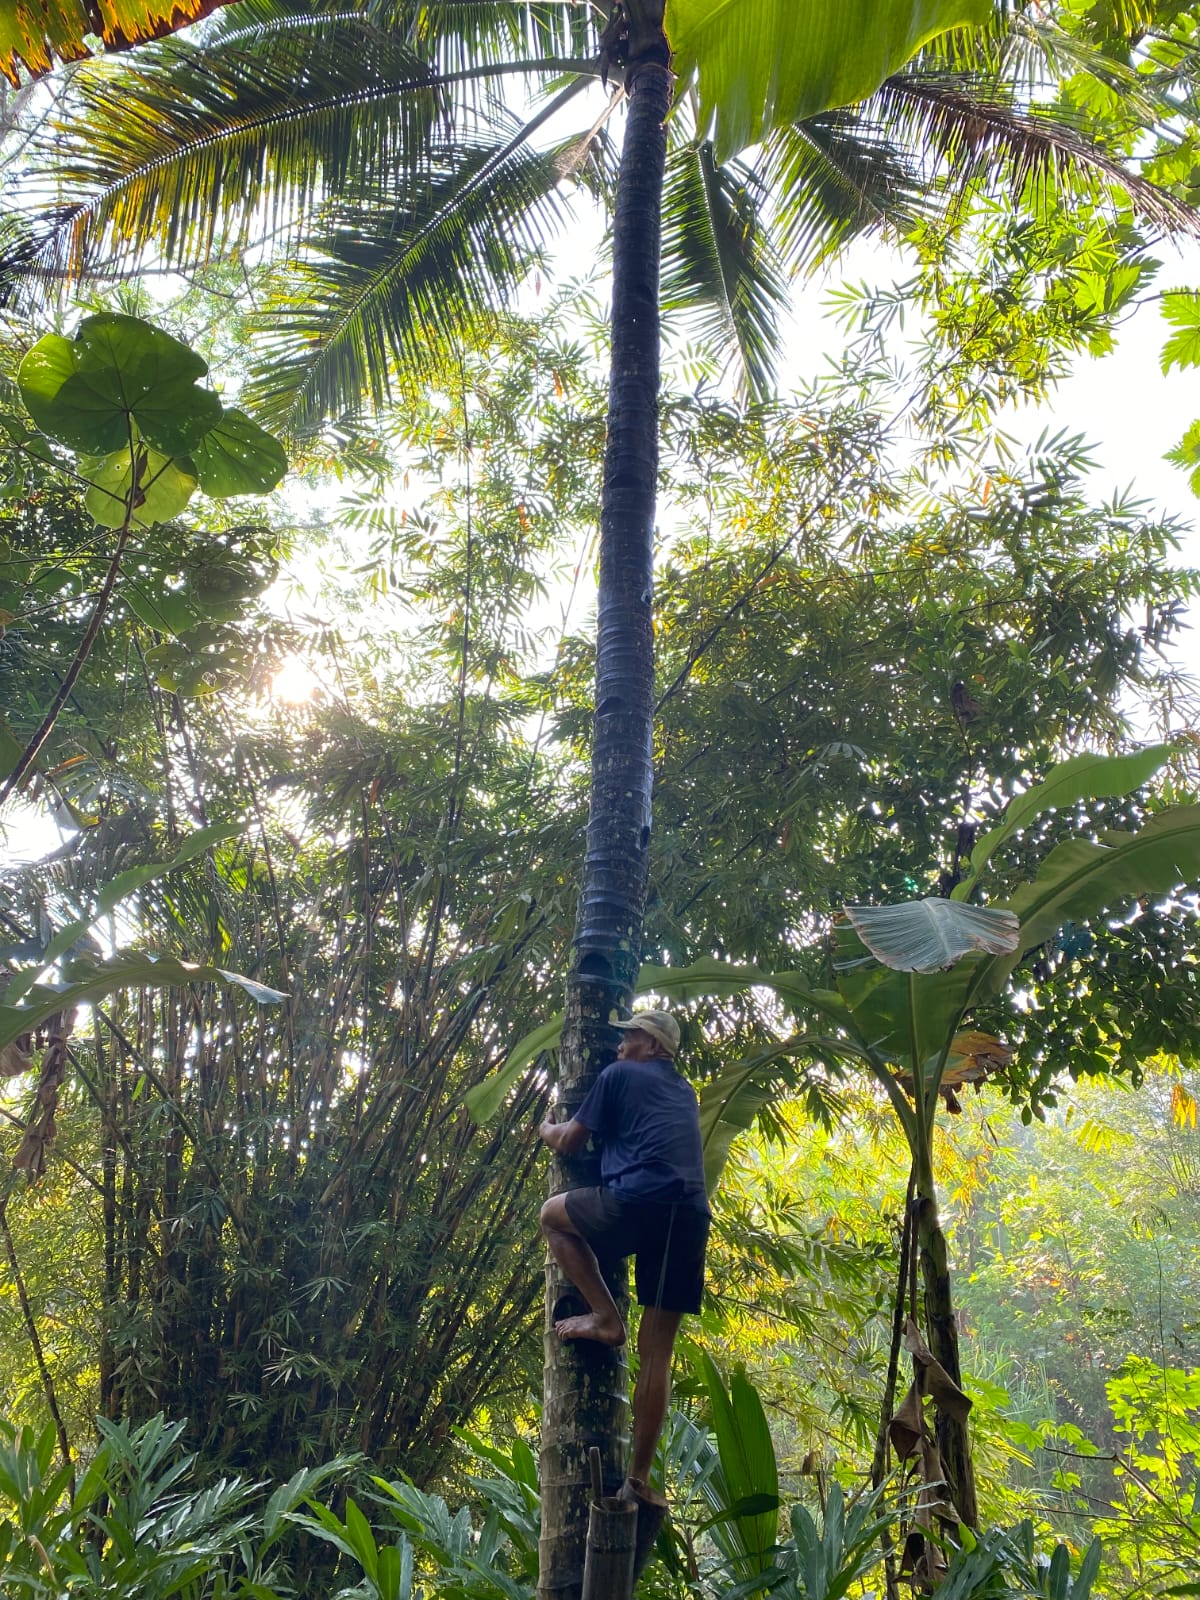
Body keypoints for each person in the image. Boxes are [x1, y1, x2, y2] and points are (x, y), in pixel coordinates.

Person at [538, 1008, 710, 1494]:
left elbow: (571, 1142)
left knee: (552, 1217)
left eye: (631, 1036)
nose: (620, 1045)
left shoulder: (618, 1076)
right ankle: (637, 1478)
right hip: (689, 1214)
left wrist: (545, 1129)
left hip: (636, 1202)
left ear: (653, 1046)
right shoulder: (683, 1091)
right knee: (658, 1354)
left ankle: (605, 1317)